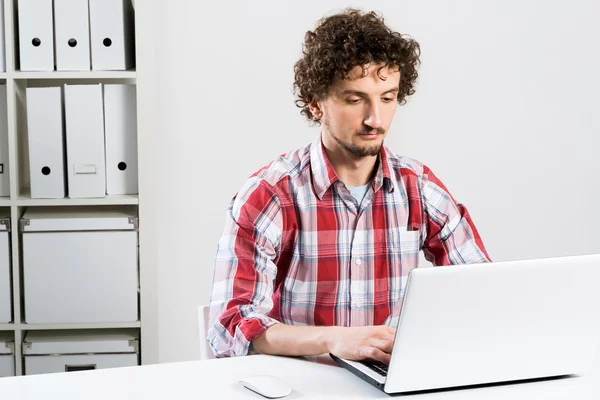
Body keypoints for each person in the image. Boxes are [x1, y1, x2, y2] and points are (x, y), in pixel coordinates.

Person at [207, 8, 491, 364]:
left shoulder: (419, 188)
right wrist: (334, 340)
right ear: (316, 104)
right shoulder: (271, 196)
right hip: (300, 382)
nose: (375, 118)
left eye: (387, 98)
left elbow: (481, 290)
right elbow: (230, 328)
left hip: (390, 378)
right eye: (355, 100)